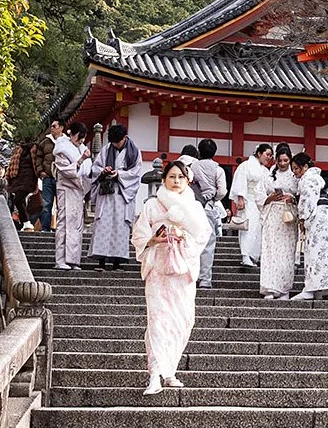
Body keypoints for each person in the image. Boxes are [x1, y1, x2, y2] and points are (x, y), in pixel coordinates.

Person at [130, 158, 211, 392]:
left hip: (182, 268)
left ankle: (170, 371)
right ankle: (155, 373)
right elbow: (138, 235)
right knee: (158, 319)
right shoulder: (152, 206)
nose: (176, 181)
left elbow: (202, 237)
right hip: (158, 268)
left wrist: (182, 237)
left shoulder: (194, 207)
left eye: (180, 177)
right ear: (164, 179)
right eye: (172, 177)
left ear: (188, 180)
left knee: (182, 320)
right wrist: (153, 239)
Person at [86, 124, 144, 270]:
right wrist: (103, 171)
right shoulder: (106, 150)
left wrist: (119, 174)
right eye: (113, 142)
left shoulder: (134, 152)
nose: (115, 145)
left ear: (124, 138)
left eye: (118, 142)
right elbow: (95, 167)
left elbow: (136, 173)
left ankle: (117, 262)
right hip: (107, 193)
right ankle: (101, 261)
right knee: (102, 226)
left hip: (123, 194)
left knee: (120, 228)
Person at [294, 152, 328, 300]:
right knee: (326, 250)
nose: (295, 172)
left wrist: (303, 219)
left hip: (317, 215)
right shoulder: (317, 177)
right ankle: (324, 286)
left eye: (296, 168)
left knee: (315, 251)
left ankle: (312, 287)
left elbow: (308, 200)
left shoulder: (308, 178)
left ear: (305, 166)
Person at [257, 151, 301, 299]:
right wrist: (269, 198)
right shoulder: (269, 176)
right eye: (280, 160)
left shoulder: (295, 176)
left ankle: (284, 288)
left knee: (287, 252)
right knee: (270, 251)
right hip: (272, 215)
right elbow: (258, 193)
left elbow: (302, 195)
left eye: (286, 160)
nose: (282, 163)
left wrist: (292, 198)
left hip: (288, 216)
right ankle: (270, 288)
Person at [186, 141, 228, 288]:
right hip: (208, 207)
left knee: (191, 242)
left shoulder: (191, 167)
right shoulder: (218, 170)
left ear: (199, 151)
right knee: (208, 244)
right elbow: (222, 191)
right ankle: (205, 279)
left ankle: (191, 276)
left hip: (193, 207)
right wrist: (213, 198)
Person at [49, 121, 88, 269]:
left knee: (77, 225)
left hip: (78, 191)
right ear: (71, 134)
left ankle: (73, 260)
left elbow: (87, 170)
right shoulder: (62, 148)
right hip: (66, 188)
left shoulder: (81, 148)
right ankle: (60, 260)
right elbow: (66, 170)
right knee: (64, 223)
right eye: (79, 137)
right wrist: (81, 160)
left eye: (83, 137)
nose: (81, 140)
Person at [231, 142, 274, 268]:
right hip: (248, 199)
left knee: (258, 228)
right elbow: (240, 181)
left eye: (271, 155)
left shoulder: (265, 171)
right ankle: (245, 255)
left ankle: (254, 256)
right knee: (248, 228)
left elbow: (268, 186)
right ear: (259, 153)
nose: (269, 157)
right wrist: (240, 198)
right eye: (267, 154)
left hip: (260, 201)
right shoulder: (245, 165)